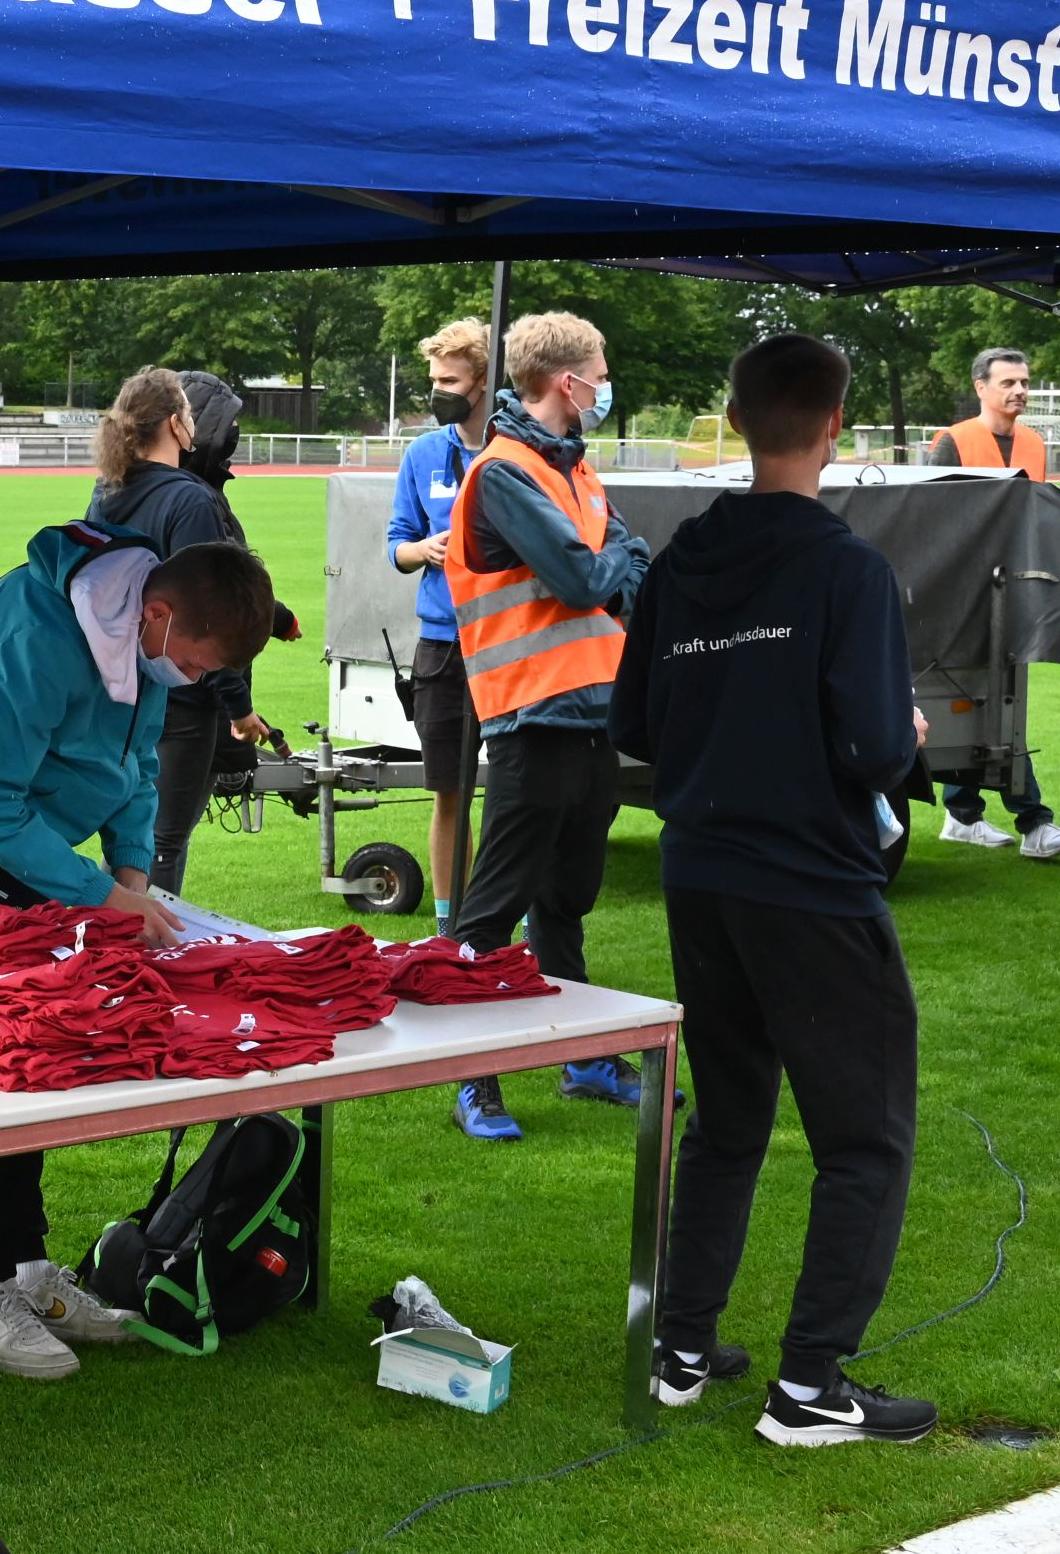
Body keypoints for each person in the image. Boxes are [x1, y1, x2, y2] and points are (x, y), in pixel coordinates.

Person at [612, 332, 937, 1446]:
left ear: (738, 420)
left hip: (702, 871)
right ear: (836, 426)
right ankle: (809, 1387)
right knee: (864, 1136)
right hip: (810, 881)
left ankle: (681, 1346)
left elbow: (635, 723)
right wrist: (898, 732)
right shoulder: (848, 571)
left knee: (729, 1116)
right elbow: (877, 746)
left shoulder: (680, 560)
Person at [0, 524, 282, 1379]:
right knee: (19, 1038)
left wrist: (132, 872)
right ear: (158, 615)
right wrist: (100, 895)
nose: (193, 681)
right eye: (195, 663)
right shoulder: (36, 636)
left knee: (55, 1034)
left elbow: (135, 765)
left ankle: (27, 1267)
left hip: (34, 820)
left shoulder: (141, 632)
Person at [444, 311, 651, 1142]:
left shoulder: (574, 469)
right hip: (531, 719)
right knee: (492, 911)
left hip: (593, 715)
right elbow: (585, 578)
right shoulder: (504, 472)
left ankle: (585, 1059)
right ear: (569, 382)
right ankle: (471, 1076)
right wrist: (613, 565)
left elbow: (628, 569)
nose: (605, 384)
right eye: (599, 371)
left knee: (566, 900)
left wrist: (612, 565)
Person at [84, 368, 282, 894]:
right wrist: (238, 707)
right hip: (182, 697)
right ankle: (139, 941)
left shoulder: (107, 490)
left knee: (130, 840)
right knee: (160, 843)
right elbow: (210, 615)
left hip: (119, 687)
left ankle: (110, 936)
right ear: (175, 423)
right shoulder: (190, 500)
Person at [926, 347, 1060, 859]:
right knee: (988, 703)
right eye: (1009, 382)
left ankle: (963, 815)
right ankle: (1034, 821)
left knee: (995, 703)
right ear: (981, 387)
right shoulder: (953, 441)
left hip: (1015, 593)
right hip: (963, 598)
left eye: (1025, 382)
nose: (1020, 391)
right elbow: (933, 523)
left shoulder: (1034, 443)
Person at [385, 320, 488, 921]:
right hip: (442, 646)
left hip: (509, 644)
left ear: (484, 380)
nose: (438, 391)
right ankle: (450, 923)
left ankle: (517, 926)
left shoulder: (518, 450)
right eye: (435, 379)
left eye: (450, 380)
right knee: (449, 792)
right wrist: (422, 550)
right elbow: (396, 544)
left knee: (513, 794)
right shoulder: (422, 454)